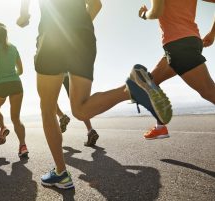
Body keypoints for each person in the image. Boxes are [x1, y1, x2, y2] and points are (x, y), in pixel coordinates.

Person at [17, 0, 171, 189]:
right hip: (84, 36)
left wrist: (24, 15)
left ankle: (61, 173)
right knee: (81, 109)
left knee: (47, 108)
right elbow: (96, 5)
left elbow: (24, 14)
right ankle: (130, 89)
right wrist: (78, 28)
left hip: (52, 36)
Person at [138, 0, 215, 140]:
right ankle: (160, 127)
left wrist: (144, 14)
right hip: (189, 41)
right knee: (150, 83)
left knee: (209, 91)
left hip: (178, 44)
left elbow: (156, 12)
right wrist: (212, 34)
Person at [0, 23, 29, 157]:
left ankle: (2, 127)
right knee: (16, 118)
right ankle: (23, 146)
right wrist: (12, 74)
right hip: (16, 83)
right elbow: (21, 70)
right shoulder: (13, 48)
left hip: (1, 84)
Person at [56, 74, 99, 147]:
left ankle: (61, 116)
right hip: (67, 70)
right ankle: (90, 130)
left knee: (48, 98)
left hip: (53, 70)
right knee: (77, 102)